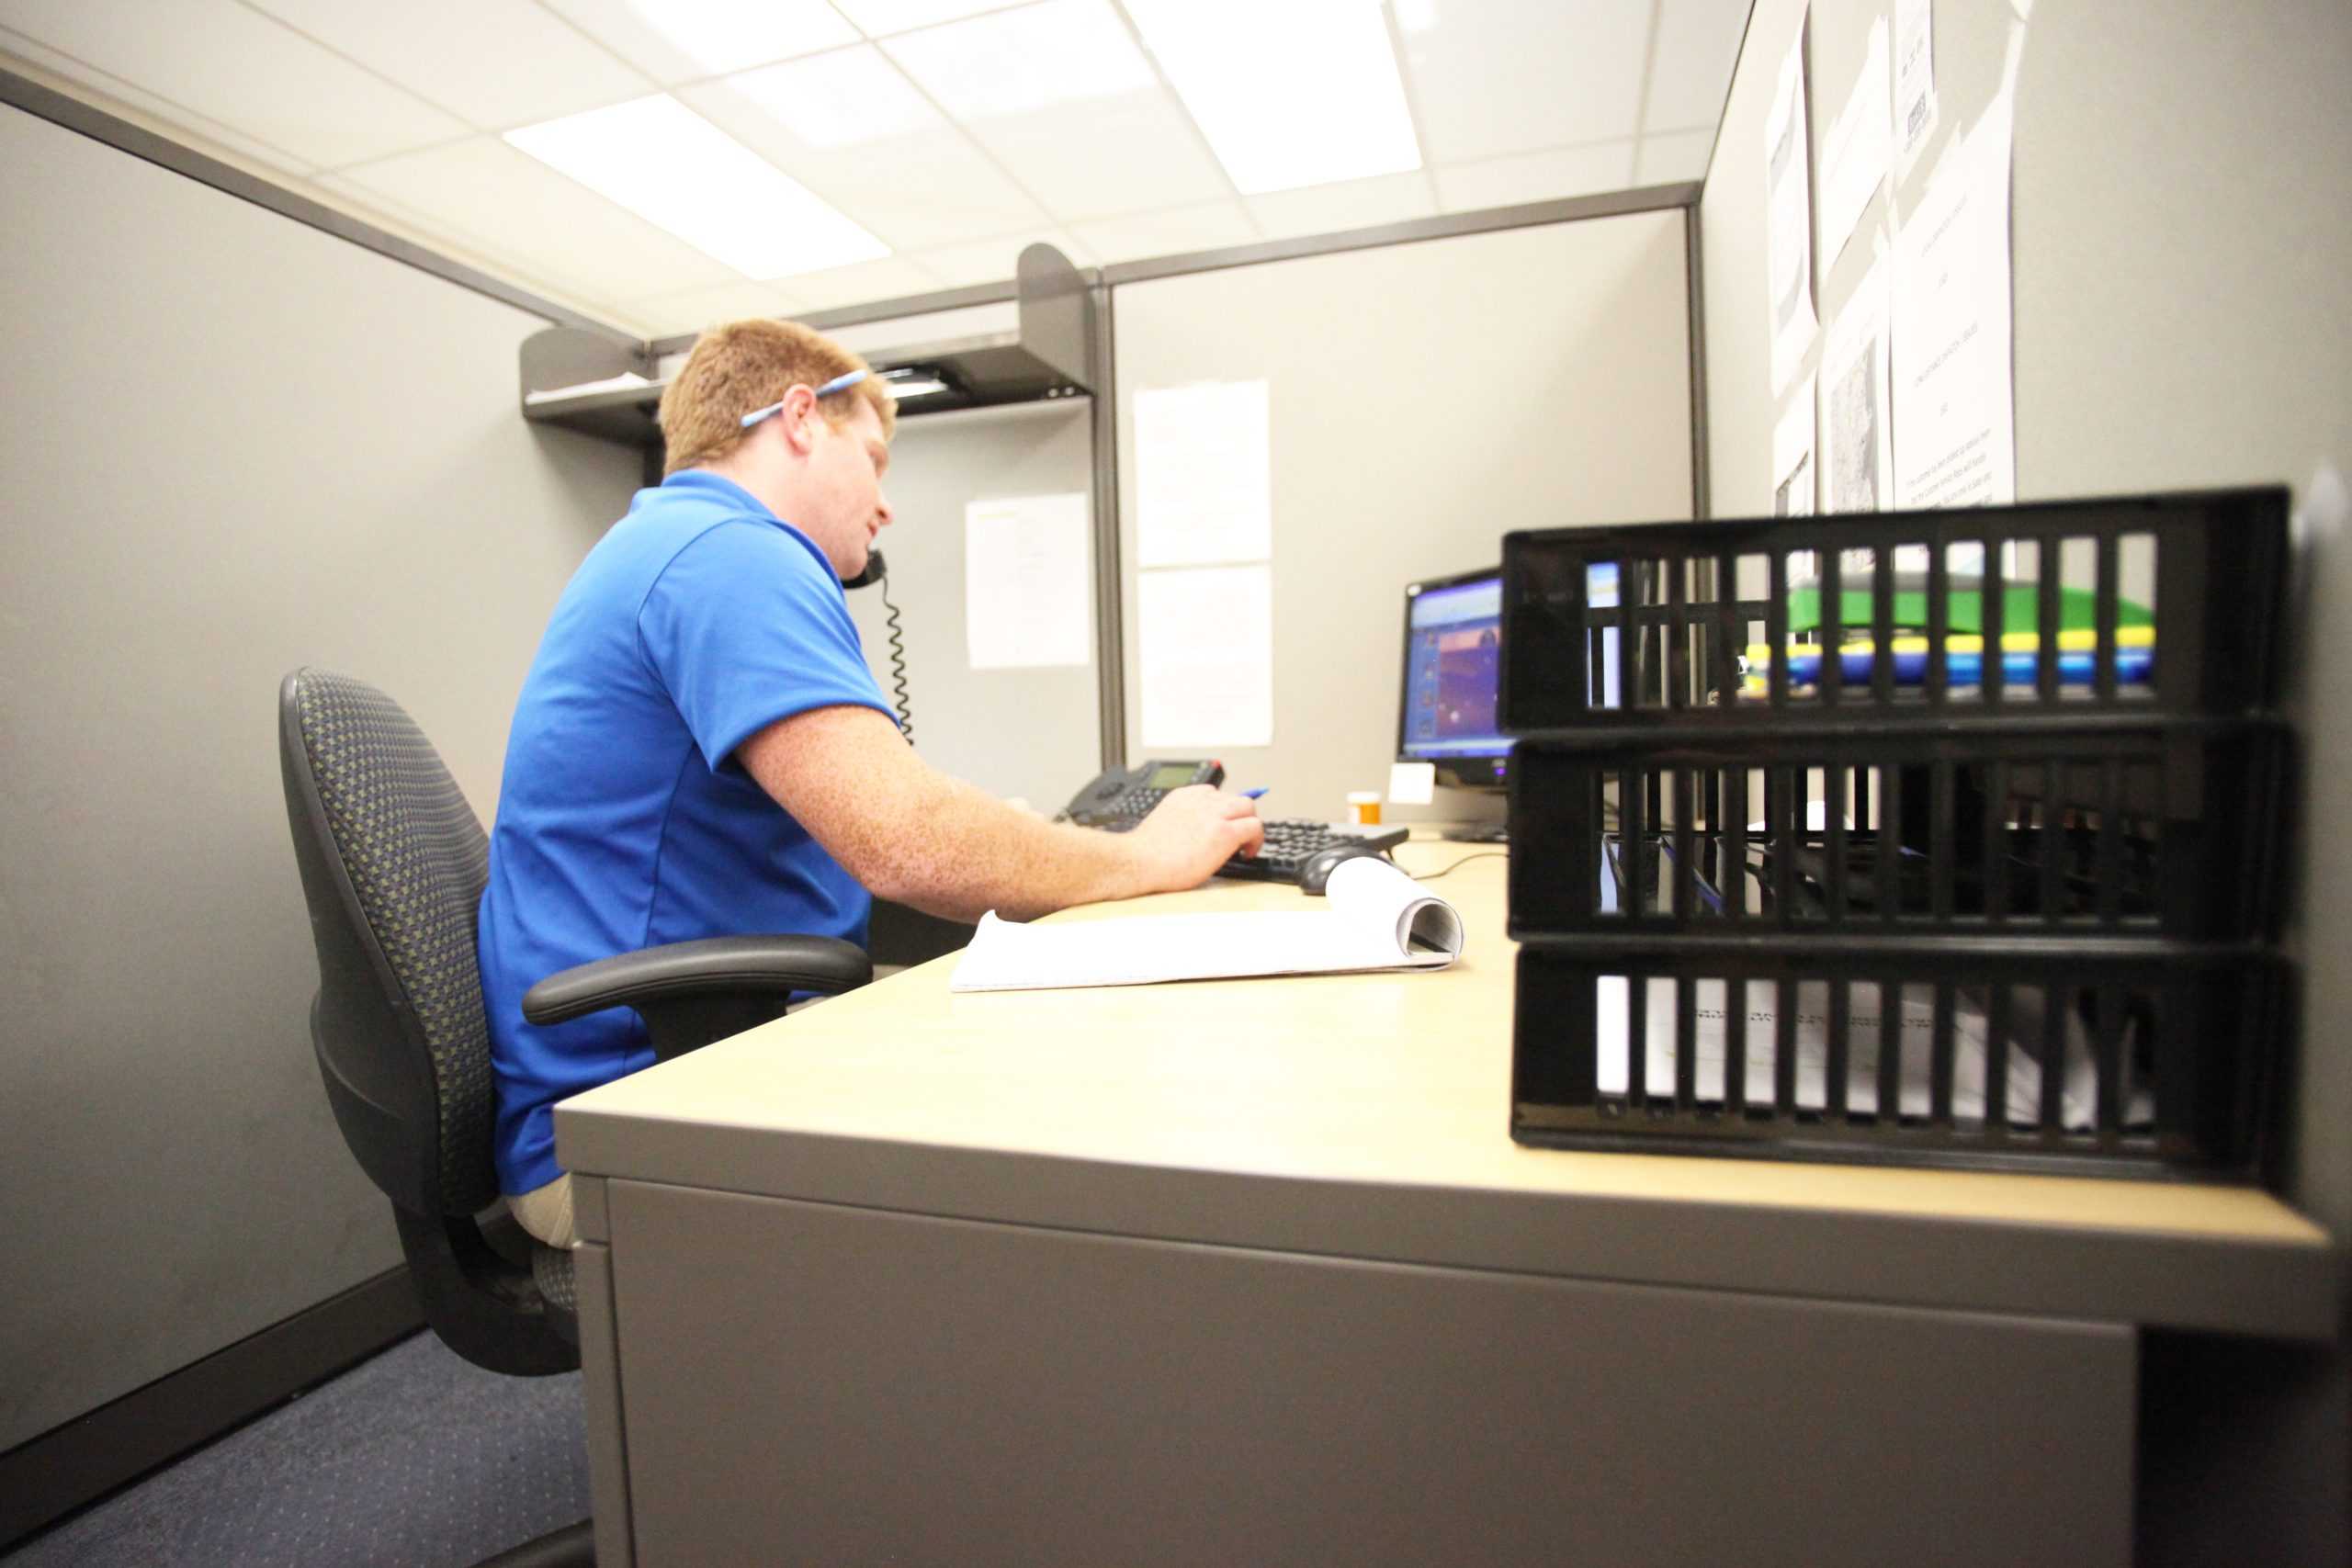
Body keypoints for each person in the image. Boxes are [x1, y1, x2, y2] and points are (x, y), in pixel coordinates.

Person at [478, 318, 1262, 1248]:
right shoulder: (731, 555)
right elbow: (906, 840)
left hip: (659, 1074)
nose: (885, 505)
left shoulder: (674, 544)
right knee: (1080, 1100)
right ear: (800, 417)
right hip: (629, 1119)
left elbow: (868, 815)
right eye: (876, 457)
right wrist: (1143, 855)